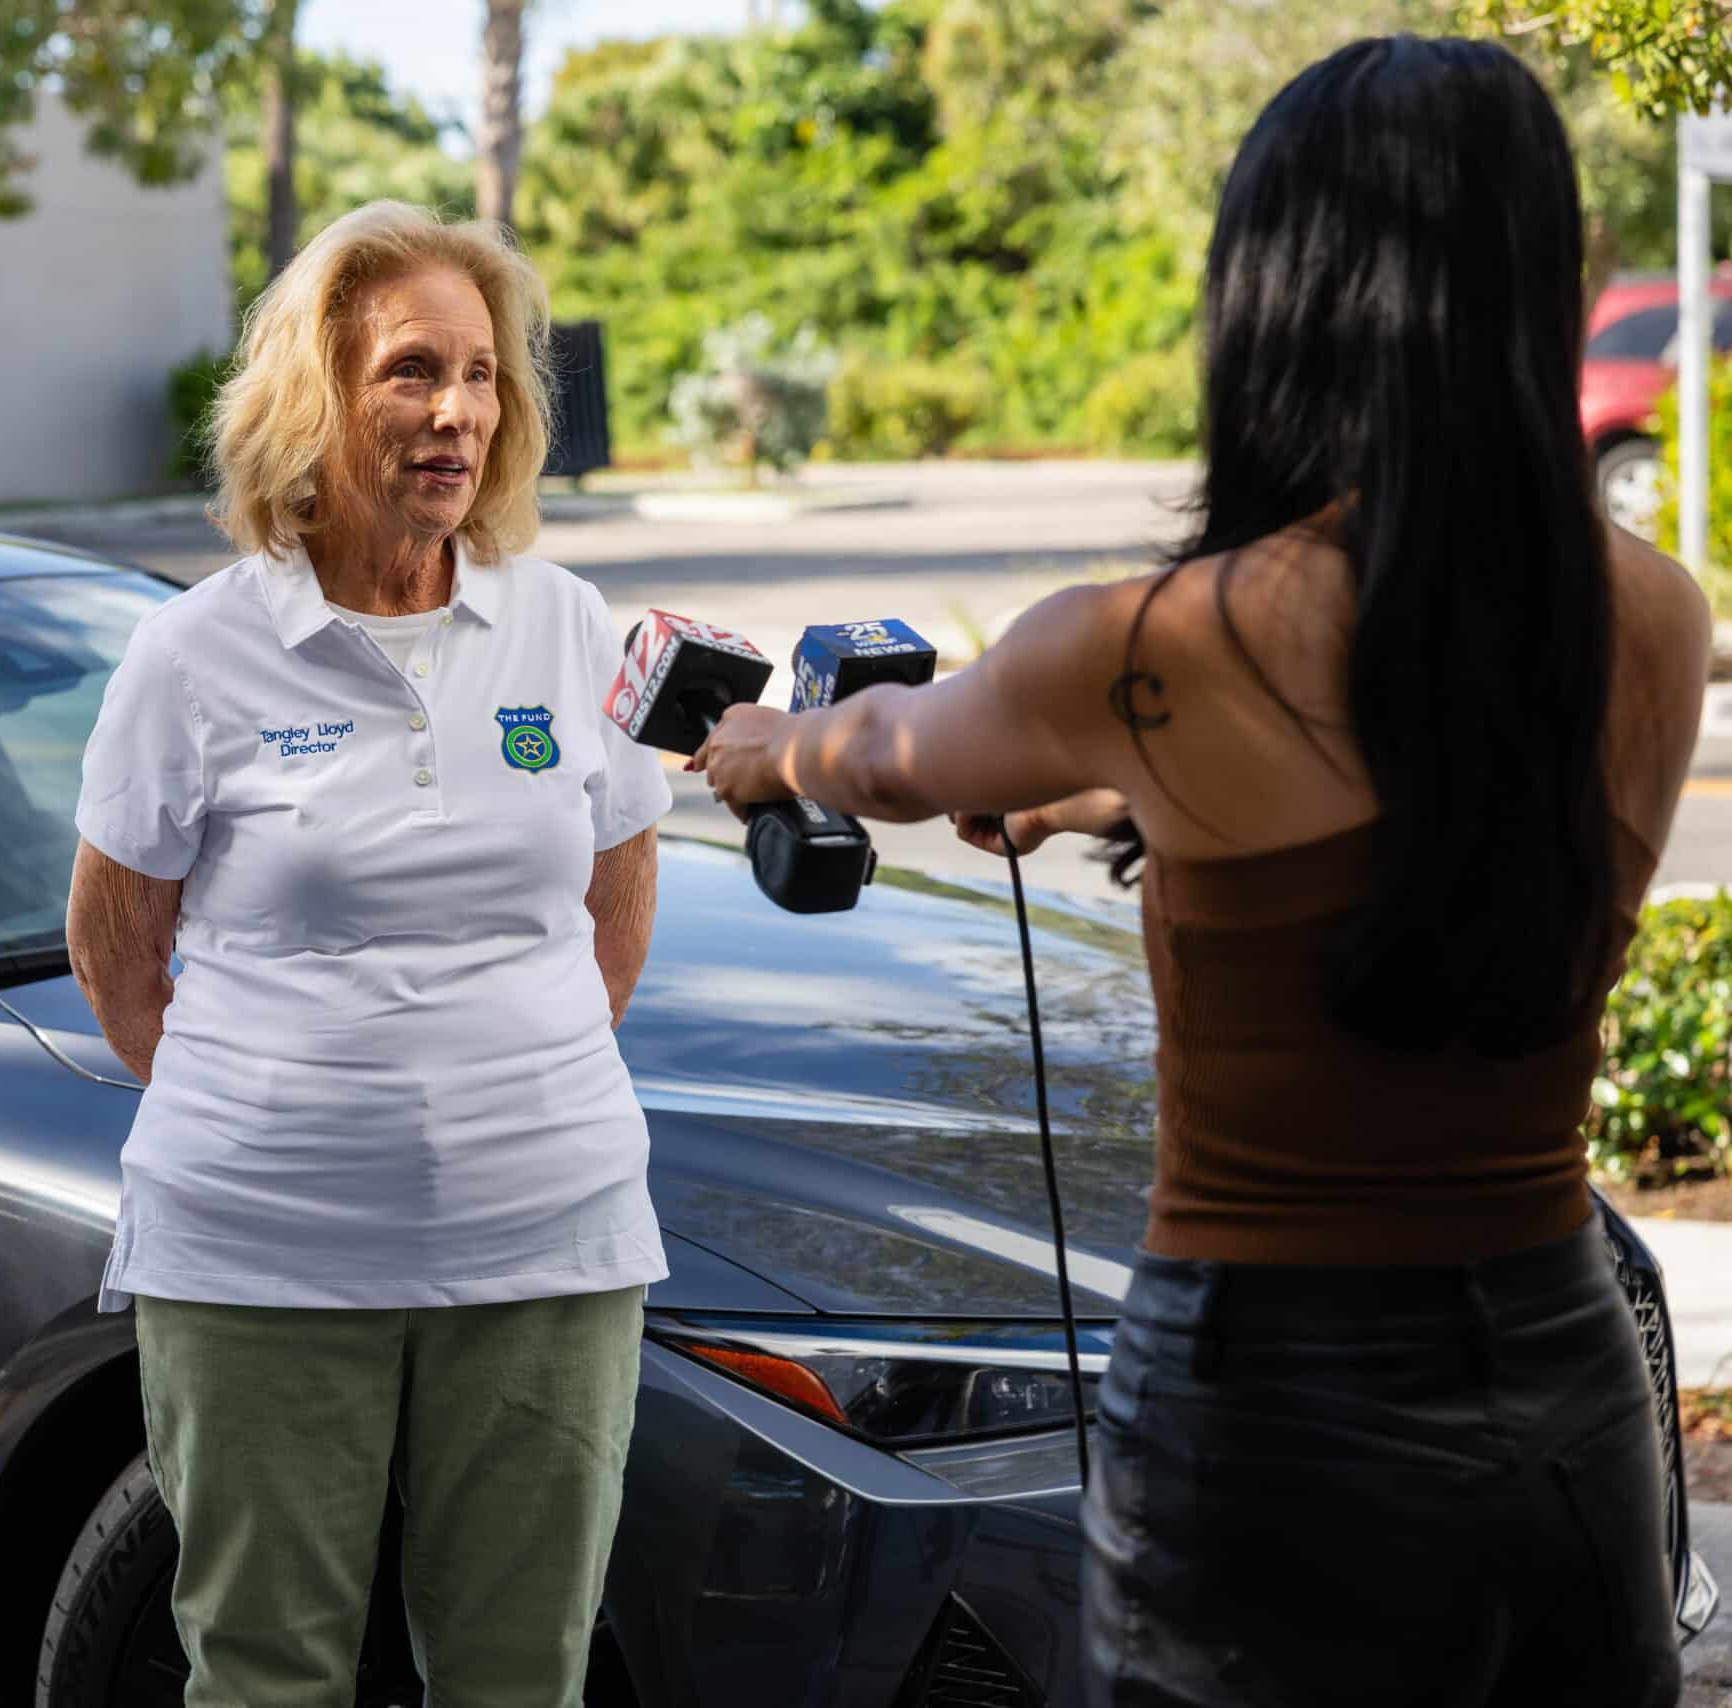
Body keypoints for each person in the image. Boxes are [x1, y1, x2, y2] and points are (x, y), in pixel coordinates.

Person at [694, 36, 1704, 1708]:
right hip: (1556, 1355)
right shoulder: (1651, 612)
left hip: (1272, 1390)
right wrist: (1122, 794)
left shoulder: (1157, 644)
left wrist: (766, 752)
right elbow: (1442, 815)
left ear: (1278, 294)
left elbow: (881, 753)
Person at [65, 200, 674, 1707]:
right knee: (266, 1674)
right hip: (261, 1253)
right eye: (412, 371)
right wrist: (287, 1109)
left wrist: (501, 1089)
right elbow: (118, 953)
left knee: (519, 1676)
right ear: (314, 398)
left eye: (481, 376)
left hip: (548, 1240)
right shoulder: (195, 651)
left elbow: (615, 899)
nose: (457, 411)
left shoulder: (565, 624)